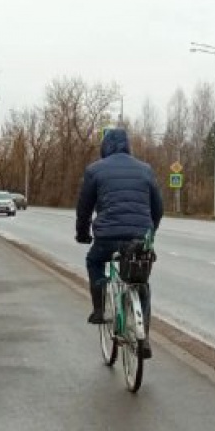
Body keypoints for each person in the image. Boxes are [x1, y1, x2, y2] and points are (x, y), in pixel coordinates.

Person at [75, 128, 163, 359]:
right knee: (140, 281)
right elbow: (158, 207)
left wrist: (82, 233)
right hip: (138, 238)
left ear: (105, 147)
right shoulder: (145, 170)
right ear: (127, 146)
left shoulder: (95, 170)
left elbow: (84, 208)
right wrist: (149, 232)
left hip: (107, 238)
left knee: (94, 261)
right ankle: (143, 335)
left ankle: (99, 308)